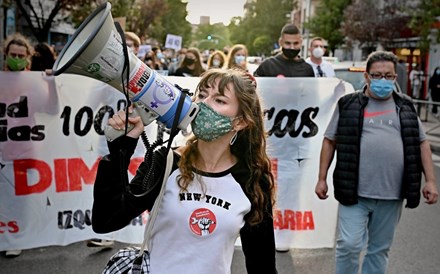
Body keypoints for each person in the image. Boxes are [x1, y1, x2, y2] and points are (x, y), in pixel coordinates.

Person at [91, 69, 277, 273]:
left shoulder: (251, 180)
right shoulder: (166, 162)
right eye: (202, 95)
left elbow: (262, 264)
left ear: (240, 122)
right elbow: (106, 220)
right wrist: (120, 152)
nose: (203, 104)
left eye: (219, 100)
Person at [315, 51, 438, 274]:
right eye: (377, 75)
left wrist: (430, 181)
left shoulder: (406, 106)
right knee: (349, 245)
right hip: (355, 193)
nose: (383, 80)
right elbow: (330, 140)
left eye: (389, 76)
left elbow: (422, 143)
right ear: (367, 76)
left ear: (395, 78)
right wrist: (321, 178)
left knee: (379, 249)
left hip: (391, 195)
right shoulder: (348, 104)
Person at [2, 33, 34, 258]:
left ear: (28, 59)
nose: (16, 59)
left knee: (19, 200)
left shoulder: (36, 83)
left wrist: (52, 84)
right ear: (5, 55)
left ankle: (16, 238)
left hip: (24, 150)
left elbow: (53, 109)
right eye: (12, 54)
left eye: (20, 56)